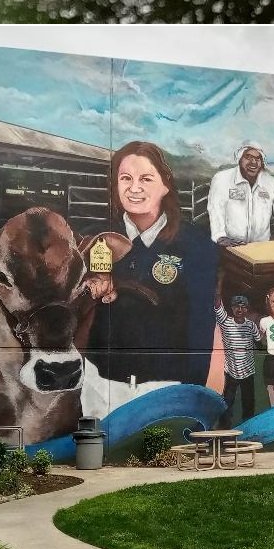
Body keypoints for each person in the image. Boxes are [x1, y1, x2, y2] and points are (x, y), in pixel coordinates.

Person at [85, 140, 218, 387]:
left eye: (146, 179)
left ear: (166, 184)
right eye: (125, 178)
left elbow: (200, 327)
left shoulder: (196, 244)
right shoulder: (93, 240)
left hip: (165, 384)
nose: (134, 188)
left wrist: (191, 390)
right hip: (101, 383)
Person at [207, 142, 274, 247]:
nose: (253, 162)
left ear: (262, 162)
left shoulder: (271, 183)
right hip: (230, 246)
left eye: (258, 159)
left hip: (260, 247)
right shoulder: (222, 179)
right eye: (248, 157)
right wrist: (220, 236)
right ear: (239, 159)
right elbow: (216, 208)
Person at [214, 291, 263, 426]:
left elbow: (259, 344)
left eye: (243, 307)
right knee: (227, 402)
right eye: (236, 306)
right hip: (231, 371)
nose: (239, 310)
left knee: (248, 402)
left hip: (248, 370)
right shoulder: (225, 322)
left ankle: (249, 427)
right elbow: (218, 306)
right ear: (232, 308)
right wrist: (216, 288)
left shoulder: (251, 325)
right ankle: (224, 429)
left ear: (247, 309)